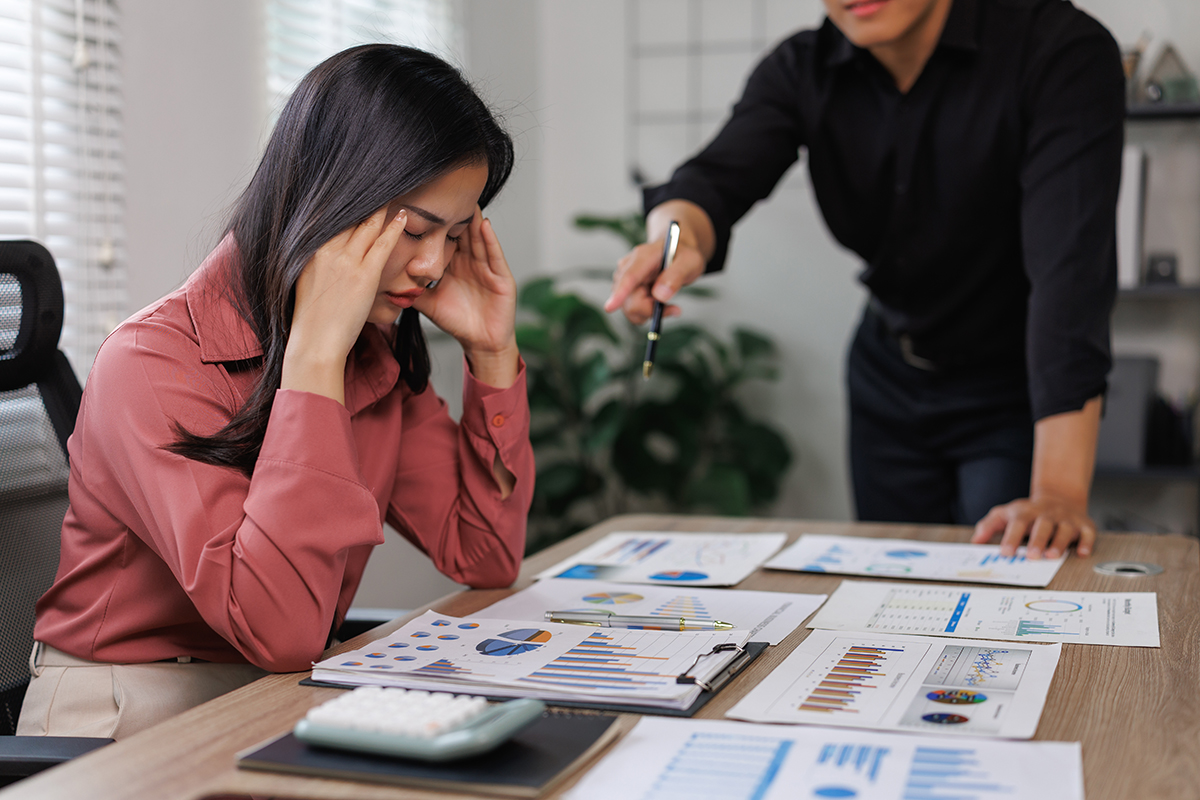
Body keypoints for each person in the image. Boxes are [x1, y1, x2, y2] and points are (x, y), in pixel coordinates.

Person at [18, 44, 533, 740]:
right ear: (332, 199)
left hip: (280, 694)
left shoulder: (372, 357)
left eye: (456, 236)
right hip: (128, 707)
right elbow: (280, 628)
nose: (434, 266)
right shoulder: (151, 363)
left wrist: (493, 354)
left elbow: (484, 554)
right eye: (415, 230)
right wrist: (314, 361)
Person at [606, 0, 1124, 561]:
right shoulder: (804, 67)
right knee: (896, 585)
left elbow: (1070, 277)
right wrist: (672, 242)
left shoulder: (1056, 48)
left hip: (1013, 383)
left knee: (1010, 573)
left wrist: (1056, 494)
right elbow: (710, 183)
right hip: (888, 378)